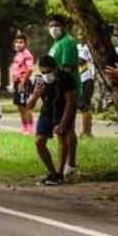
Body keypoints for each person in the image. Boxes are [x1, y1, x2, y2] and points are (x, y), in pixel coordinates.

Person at [26, 55, 76, 186]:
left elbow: (70, 103)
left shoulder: (65, 77)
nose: (46, 75)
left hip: (63, 109)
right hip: (48, 110)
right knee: (39, 141)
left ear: (55, 69)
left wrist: (63, 124)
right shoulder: (39, 80)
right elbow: (29, 105)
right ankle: (52, 173)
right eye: (43, 72)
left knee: (62, 137)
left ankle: (60, 174)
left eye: (48, 72)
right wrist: (36, 95)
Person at [47, 14, 81, 179]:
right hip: (57, 92)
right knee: (63, 130)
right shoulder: (56, 44)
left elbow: (67, 69)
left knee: (67, 128)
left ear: (64, 26)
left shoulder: (67, 42)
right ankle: (66, 164)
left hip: (67, 91)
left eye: (56, 25)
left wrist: (60, 88)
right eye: (51, 25)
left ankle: (71, 164)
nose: (53, 28)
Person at [11, 33, 35, 134]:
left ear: (25, 43)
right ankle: (24, 126)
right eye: (16, 42)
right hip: (17, 82)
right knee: (19, 106)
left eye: (21, 42)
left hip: (23, 83)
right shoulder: (17, 54)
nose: (18, 44)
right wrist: (13, 84)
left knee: (25, 106)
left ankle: (30, 128)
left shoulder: (27, 54)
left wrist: (23, 82)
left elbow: (30, 69)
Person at [76, 31, 95, 138]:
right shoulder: (77, 46)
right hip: (79, 79)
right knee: (81, 106)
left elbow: (81, 61)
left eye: (83, 34)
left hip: (87, 78)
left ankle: (87, 132)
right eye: (80, 34)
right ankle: (85, 132)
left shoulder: (89, 48)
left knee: (85, 105)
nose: (81, 36)